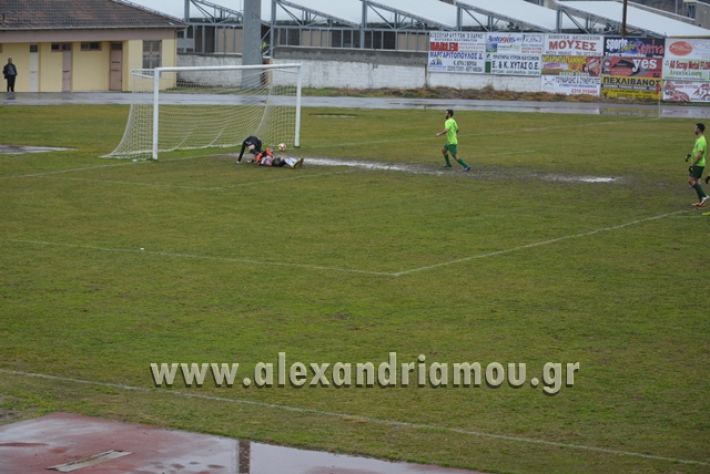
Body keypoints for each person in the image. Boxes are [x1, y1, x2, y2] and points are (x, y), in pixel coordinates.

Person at [687, 123, 709, 208]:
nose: (694, 129)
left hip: (698, 164)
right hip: (698, 164)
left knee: (690, 181)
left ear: (699, 129)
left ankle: (704, 196)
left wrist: (692, 164)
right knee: (696, 182)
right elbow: (696, 151)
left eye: (695, 128)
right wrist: (690, 155)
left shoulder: (701, 141)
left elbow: (699, 155)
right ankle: (701, 202)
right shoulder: (699, 139)